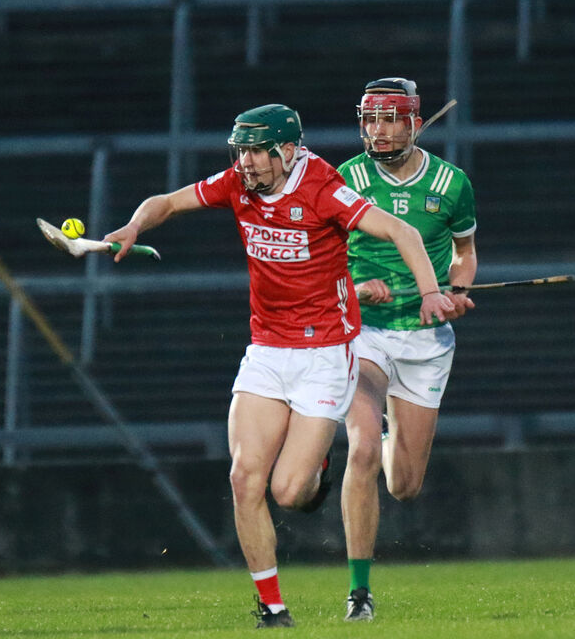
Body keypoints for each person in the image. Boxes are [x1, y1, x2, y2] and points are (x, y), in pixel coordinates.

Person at [104, 103, 454, 628]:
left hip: (324, 356)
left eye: (257, 152)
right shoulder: (237, 184)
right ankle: (272, 608)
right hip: (266, 351)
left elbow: (402, 232)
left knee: (289, 493)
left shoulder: (322, 186)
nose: (246, 163)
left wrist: (430, 291)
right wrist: (134, 225)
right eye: (241, 151)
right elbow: (168, 203)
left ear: (287, 151)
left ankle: (315, 471)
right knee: (245, 478)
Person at [337, 78, 478, 621]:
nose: (379, 130)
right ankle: (359, 594)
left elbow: (465, 253)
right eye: (371, 119)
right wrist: (354, 287)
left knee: (404, 486)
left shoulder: (452, 182)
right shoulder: (344, 179)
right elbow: (321, 263)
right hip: (363, 333)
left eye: (391, 118)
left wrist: (455, 292)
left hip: (425, 344)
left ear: (415, 122)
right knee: (364, 450)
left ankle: (384, 428)